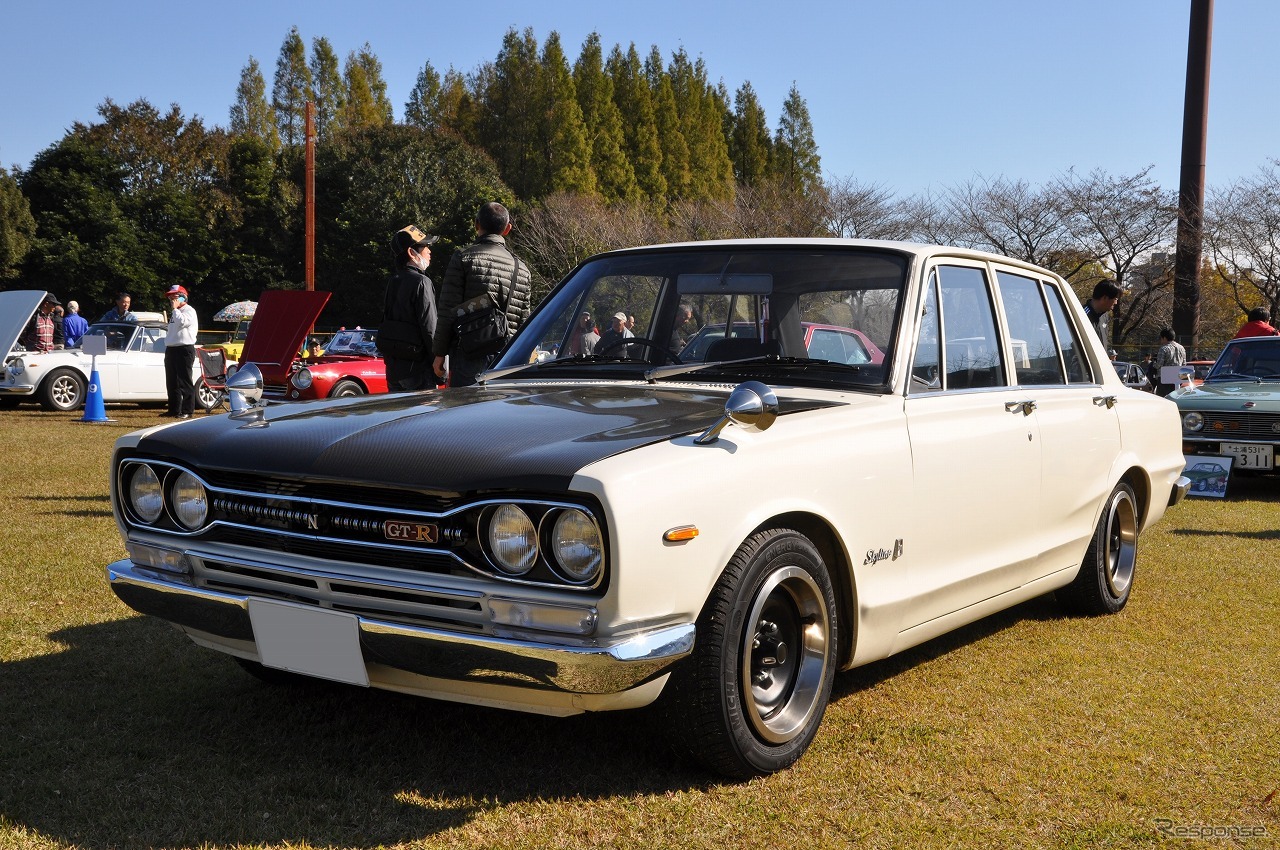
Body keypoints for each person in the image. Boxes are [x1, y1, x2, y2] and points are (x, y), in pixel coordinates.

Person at [432, 202, 532, 387]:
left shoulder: (463, 258)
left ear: (476, 224)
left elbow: (447, 309)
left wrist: (439, 353)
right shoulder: (523, 269)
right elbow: (525, 322)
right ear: (507, 229)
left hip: (468, 354)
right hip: (506, 359)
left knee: (464, 412)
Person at [381, 224, 439, 391]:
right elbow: (430, 329)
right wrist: (439, 367)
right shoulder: (422, 282)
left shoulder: (393, 281)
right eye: (425, 246)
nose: (429, 251)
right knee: (424, 417)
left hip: (394, 370)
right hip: (419, 371)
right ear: (411, 253)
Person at [162, 285, 199, 418]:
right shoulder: (175, 312)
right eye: (170, 296)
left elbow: (183, 322)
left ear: (183, 297)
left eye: (175, 296)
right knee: (172, 381)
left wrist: (175, 309)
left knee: (184, 380)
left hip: (184, 348)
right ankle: (174, 409)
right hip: (172, 348)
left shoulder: (189, 311)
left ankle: (187, 410)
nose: (172, 299)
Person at [1082, 280, 1121, 349]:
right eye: (1115, 299)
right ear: (1104, 298)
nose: (1116, 303)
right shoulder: (1081, 315)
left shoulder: (1105, 316)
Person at [1152, 327, 1187, 397]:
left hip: (1165, 378)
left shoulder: (1164, 348)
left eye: (1161, 338)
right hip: (1178, 378)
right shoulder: (1181, 348)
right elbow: (1184, 364)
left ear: (1164, 338)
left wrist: (1153, 364)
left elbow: (1159, 364)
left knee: (1163, 398)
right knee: (1176, 397)